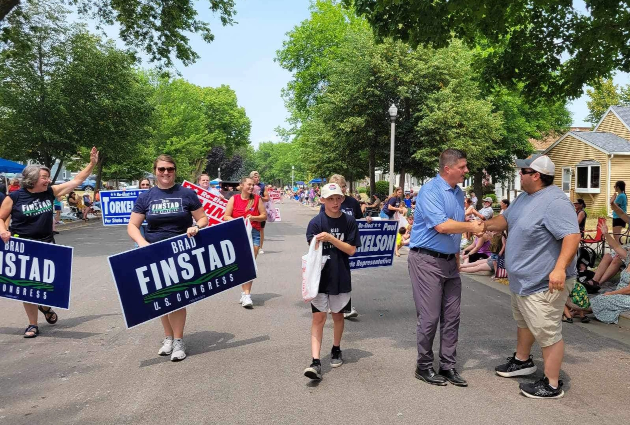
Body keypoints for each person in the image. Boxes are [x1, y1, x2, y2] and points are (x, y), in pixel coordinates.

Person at [484, 154, 580, 399]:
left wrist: (559, 268)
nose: (519, 174)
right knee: (525, 322)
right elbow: (504, 220)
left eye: (523, 171)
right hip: (523, 281)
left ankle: (552, 384)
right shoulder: (524, 198)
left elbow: (572, 236)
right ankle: (522, 360)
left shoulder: (555, 202)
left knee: (547, 331)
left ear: (536, 175)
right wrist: (482, 226)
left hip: (543, 282)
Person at [0, 147, 100, 338]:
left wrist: (92, 163)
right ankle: (32, 325)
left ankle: (45, 306)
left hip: (47, 244)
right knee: (26, 287)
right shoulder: (14, 197)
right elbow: (0, 217)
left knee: (46, 284)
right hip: (24, 246)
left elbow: (77, 180)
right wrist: (3, 231)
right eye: (44, 177)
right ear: (32, 179)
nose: (48, 180)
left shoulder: (50, 193)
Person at [408, 149, 484, 387]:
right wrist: (473, 227)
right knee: (430, 317)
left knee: (452, 317)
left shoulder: (458, 191)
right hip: (426, 260)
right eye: (462, 167)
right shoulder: (430, 191)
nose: (466, 171)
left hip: (449, 261)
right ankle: (424, 365)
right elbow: (442, 226)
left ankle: (448, 366)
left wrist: (456, 255)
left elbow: (454, 228)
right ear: (447, 168)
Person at [128, 154, 209, 361]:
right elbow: (133, 226)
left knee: (178, 297)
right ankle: (168, 338)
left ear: (175, 171)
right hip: (153, 252)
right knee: (161, 297)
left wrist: (195, 227)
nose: (165, 173)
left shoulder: (187, 193)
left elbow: (203, 218)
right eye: (161, 169)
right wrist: (142, 243)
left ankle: (179, 341)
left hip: (180, 251)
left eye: (170, 169)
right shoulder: (146, 197)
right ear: (155, 171)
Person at [303, 183, 361, 380]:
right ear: (322, 200)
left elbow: (351, 249)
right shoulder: (315, 223)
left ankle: (336, 348)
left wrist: (330, 238)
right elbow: (313, 250)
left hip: (341, 275)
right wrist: (323, 239)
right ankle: (315, 361)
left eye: (338, 198)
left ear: (342, 199)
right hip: (319, 278)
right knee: (318, 318)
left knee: (338, 316)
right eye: (330, 199)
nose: (335, 202)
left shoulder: (350, 221)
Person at [319, 174, 365, 318]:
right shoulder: (327, 204)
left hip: (347, 244)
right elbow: (323, 222)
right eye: (340, 187)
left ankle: (344, 307)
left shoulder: (352, 202)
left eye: (344, 186)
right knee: (331, 274)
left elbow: (359, 220)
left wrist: (367, 220)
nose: (343, 189)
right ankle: (332, 305)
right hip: (332, 245)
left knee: (344, 275)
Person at [224, 176, 267, 309]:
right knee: (242, 264)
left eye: (252, 185)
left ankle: (246, 294)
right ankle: (245, 293)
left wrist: (253, 217)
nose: (251, 187)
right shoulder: (234, 199)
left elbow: (264, 215)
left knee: (250, 263)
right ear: (241, 185)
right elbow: (226, 216)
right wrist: (238, 222)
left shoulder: (257, 199)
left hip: (254, 232)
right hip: (239, 233)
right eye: (248, 184)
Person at [585, 221, 630, 324]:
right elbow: (616, 247)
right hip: (619, 294)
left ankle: (575, 310)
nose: (628, 248)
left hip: (626, 297)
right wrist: (606, 233)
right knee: (599, 299)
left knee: (601, 300)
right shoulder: (628, 259)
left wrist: (611, 293)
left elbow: (628, 290)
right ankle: (576, 311)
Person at [250, 171, 269, 254]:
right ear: (251, 178)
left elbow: (267, 198)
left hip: (260, 209)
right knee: (249, 227)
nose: (257, 179)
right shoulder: (248, 185)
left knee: (261, 229)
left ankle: (260, 247)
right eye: (255, 177)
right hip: (250, 209)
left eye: (258, 177)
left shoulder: (262, 186)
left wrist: (260, 197)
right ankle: (250, 246)